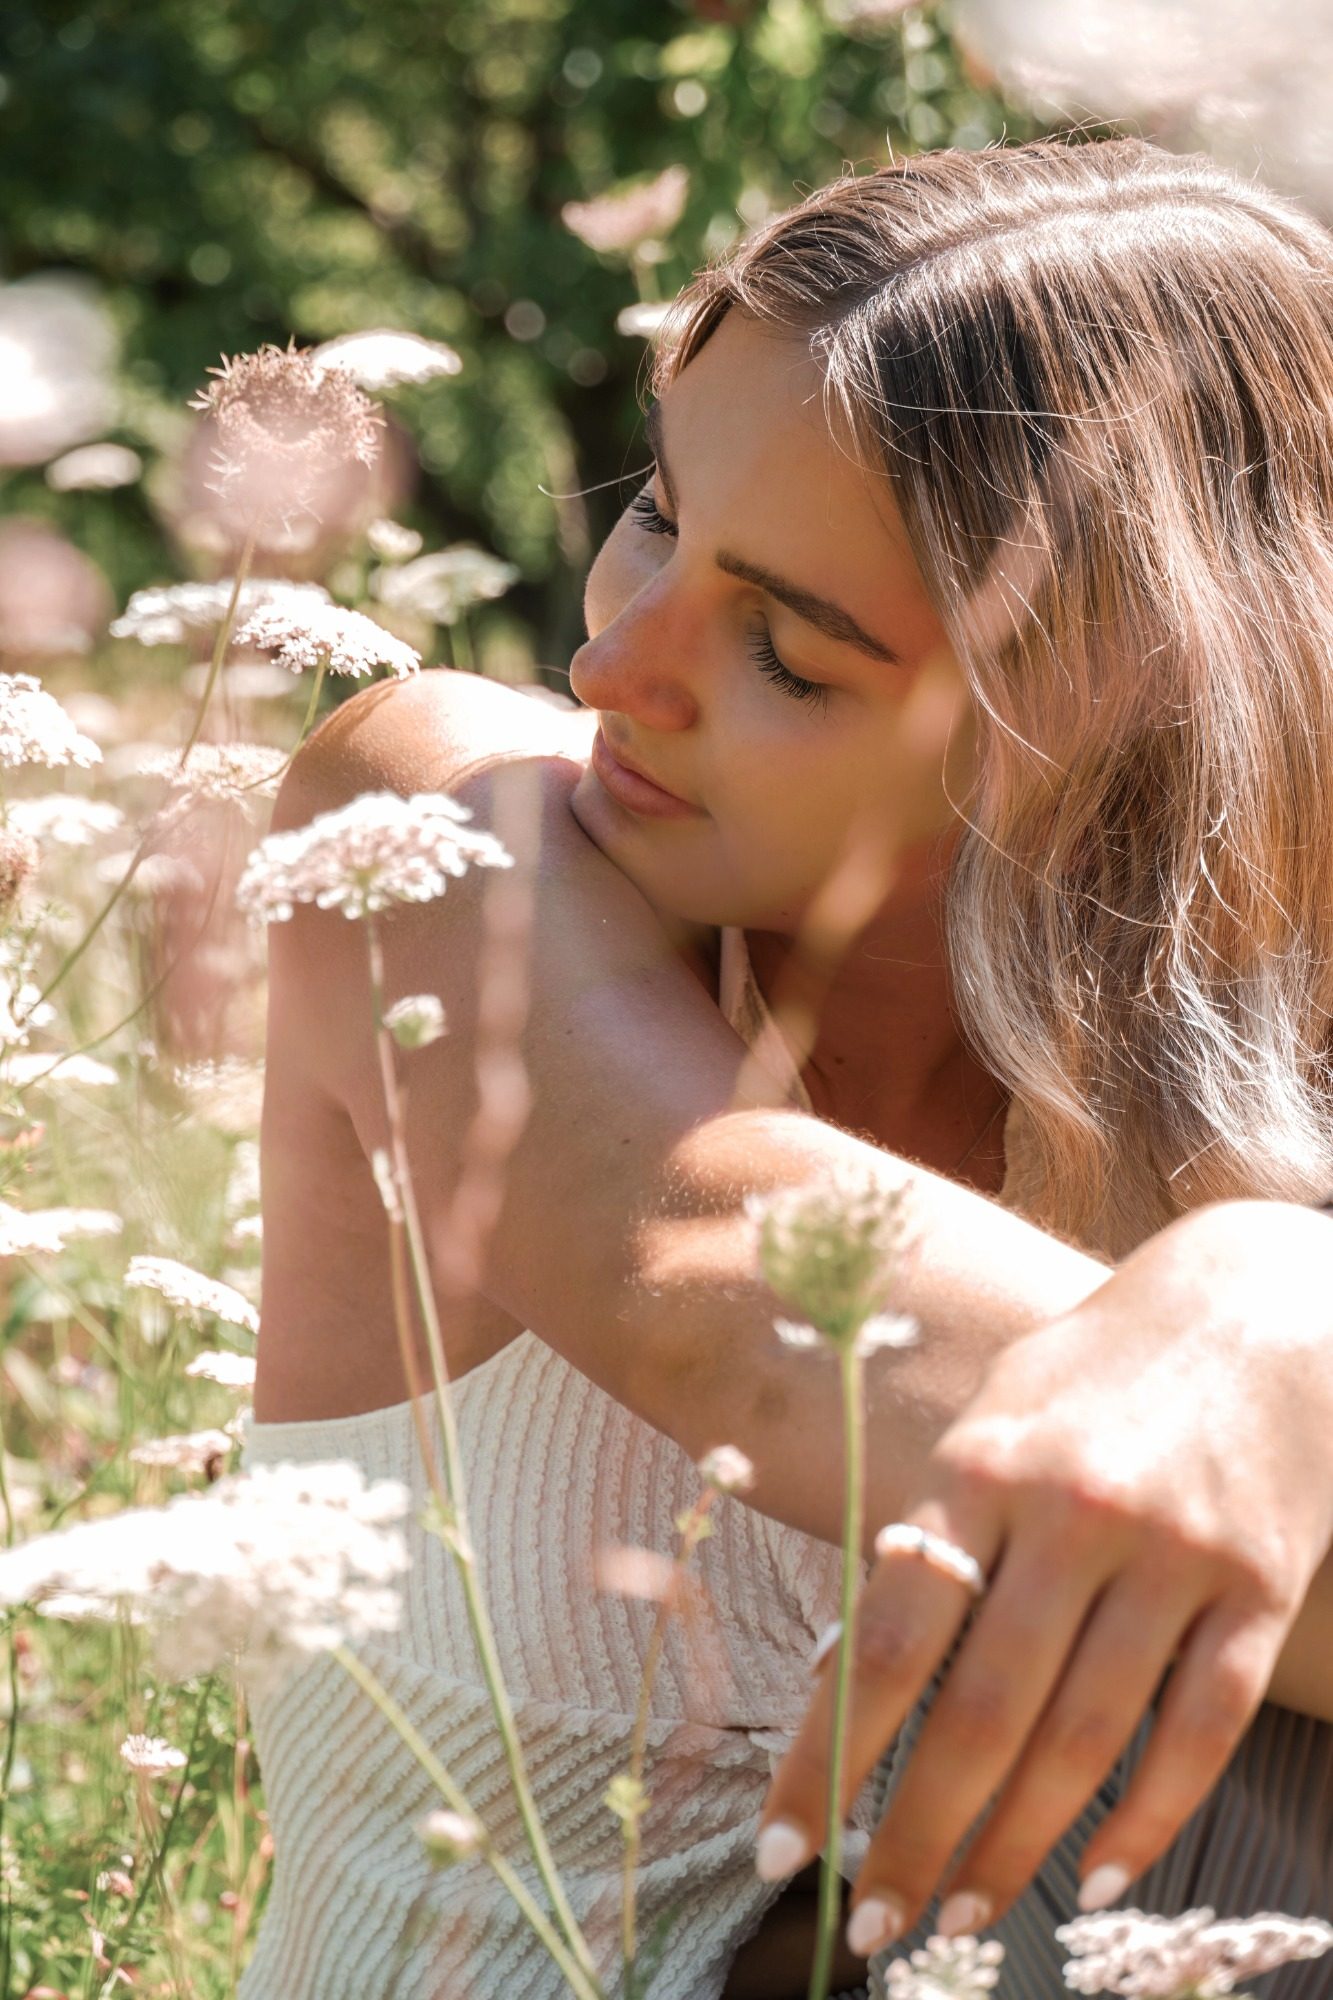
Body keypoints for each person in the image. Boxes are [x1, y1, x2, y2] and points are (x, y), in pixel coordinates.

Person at [243, 137, 1333, 2000]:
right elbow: (711, 1274)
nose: (611, 665)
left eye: (788, 650)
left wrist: (1262, 1288)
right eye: (657, 519)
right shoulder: (438, 830)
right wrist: (1262, 1307)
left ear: (1110, 712)